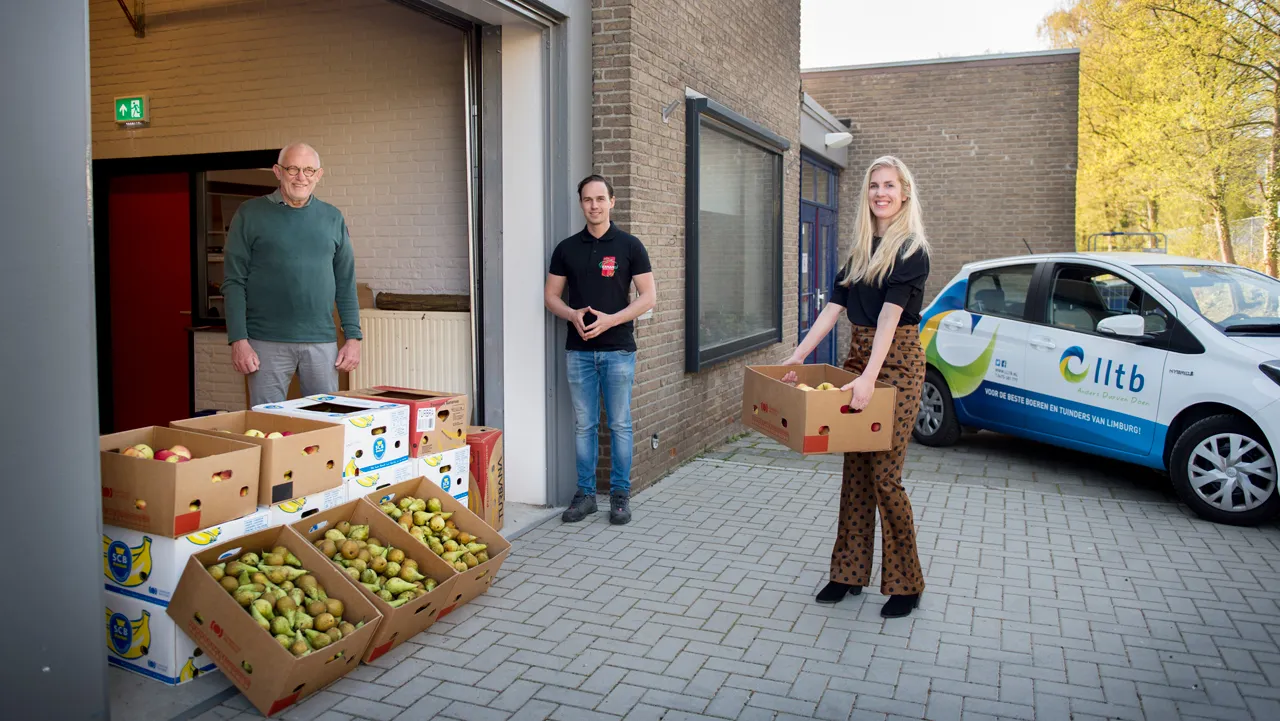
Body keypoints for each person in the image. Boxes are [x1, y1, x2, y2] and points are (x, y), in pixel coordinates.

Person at [782, 155, 931, 618]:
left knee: (886, 477)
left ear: (904, 193)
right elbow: (833, 309)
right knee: (856, 475)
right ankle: (847, 574)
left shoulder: (912, 250)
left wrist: (870, 378)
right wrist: (798, 356)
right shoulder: (859, 250)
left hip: (899, 364)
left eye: (889, 185)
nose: (881, 193)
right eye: (874, 186)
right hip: (860, 356)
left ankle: (907, 583)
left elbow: (890, 317)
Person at [545, 175, 657, 525]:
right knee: (585, 425)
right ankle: (586, 496)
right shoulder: (566, 248)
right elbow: (550, 297)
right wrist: (571, 313)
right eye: (587, 199)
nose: (593, 205)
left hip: (618, 351)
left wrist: (611, 321)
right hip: (578, 351)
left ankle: (620, 496)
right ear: (580, 203)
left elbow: (649, 297)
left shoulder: (629, 245)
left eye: (599, 199)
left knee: (621, 424)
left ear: (612, 201)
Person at [222, 142, 363, 406]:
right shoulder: (250, 214)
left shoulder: (332, 217)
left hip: (321, 342)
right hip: (265, 341)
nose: (302, 177)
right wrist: (238, 340)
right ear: (277, 171)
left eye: (309, 170)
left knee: (325, 422)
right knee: (266, 424)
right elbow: (233, 281)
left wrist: (353, 338)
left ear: (319, 175)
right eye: (293, 169)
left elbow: (345, 282)